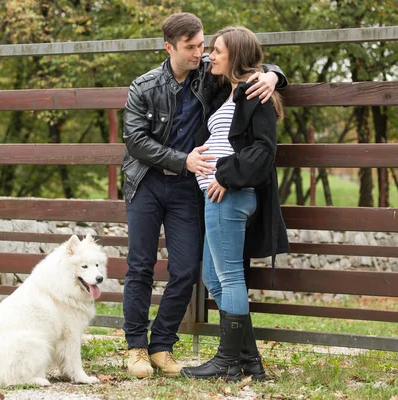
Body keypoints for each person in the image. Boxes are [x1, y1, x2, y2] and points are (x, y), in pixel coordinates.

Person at [121, 13, 287, 379]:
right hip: (147, 181)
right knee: (141, 265)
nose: (203, 54)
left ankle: (162, 346)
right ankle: (136, 347)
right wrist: (184, 160)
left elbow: (245, 63)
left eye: (204, 46)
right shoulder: (143, 85)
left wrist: (273, 75)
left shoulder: (206, 77)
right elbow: (134, 140)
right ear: (170, 48)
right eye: (193, 48)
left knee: (186, 270)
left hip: (192, 189)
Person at [180, 26, 290, 382]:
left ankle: (226, 361)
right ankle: (250, 360)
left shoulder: (256, 93)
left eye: (218, 50)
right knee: (214, 276)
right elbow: (182, 61)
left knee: (229, 276)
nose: (210, 55)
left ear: (237, 57)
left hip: (229, 193)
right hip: (216, 194)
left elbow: (263, 152)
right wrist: (274, 73)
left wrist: (224, 175)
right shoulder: (224, 91)